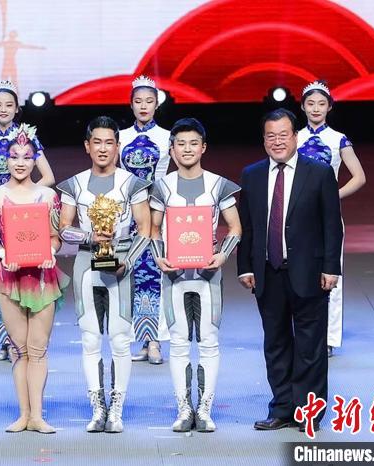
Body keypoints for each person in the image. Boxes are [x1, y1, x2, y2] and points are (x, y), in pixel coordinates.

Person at [237, 109, 343, 433]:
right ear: (264, 140)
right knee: (276, 344)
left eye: (284, 135)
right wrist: (244, 267)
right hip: (267, 273)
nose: (278, 141)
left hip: (310, 273)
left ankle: (309, 411)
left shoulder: (319, 173)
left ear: (295, 137)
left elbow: (331, 224)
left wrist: (331, 268)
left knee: (310, 347)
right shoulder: (252, 175)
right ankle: (282, 408)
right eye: (271, 136)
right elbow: (248, 227)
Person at [58, 116, 152, 433]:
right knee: (90, 340)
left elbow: (145, 229)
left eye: (109, 142)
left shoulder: (133, 184)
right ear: (87, 146)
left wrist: (128, 262)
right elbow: (64, 229)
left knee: (121, 340)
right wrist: (89, 237)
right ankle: (97, 408)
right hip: (87, 264)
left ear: (118, 146)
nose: (102, 148)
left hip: (121, 263)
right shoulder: (74, 184)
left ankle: (117, 409)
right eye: (96, 142)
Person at [149, 118, 241, 432]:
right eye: (181, 144)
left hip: (208, 275)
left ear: (203, 148)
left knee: (209, 342)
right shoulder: (161, 186)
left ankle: (204, 410)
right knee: (177, 343)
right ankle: (183, 409)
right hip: (174, 276)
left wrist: (222, 255)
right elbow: (152, 229)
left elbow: (235, 227)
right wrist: (159, 258)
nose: (187, 149)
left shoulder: (218, 185)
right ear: (171, 150)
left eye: (193, 144)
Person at [0, 124, 70, 434]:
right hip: (9, 278)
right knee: (19, 350)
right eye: (14, 156)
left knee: (38, 349)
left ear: (35, 160)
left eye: (27, 157)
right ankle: (23, 414)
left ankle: (38, 416)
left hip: (42, 277)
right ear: (5, 160)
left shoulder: (48, 196)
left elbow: (56, 237)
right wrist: (2, 252)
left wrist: (51, 251)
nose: (20, 162)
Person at [0, 80, 55, 362]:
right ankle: (5, 341)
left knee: (28, 274)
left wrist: (26, 199)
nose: (3, 109)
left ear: (17, 109)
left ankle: (27, 337)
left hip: (25, 219)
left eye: (9, 105)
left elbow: (49, 177)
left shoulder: (28, 138)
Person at [297, 80, 366, 357]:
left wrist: (332, 196)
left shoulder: (338, 139)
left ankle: (328, 338)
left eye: (321, 104)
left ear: (329, 107)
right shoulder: (293, 138)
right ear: (303, 107)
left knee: (331, 276)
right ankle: (302, 334)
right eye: (310, 103)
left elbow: (359, 177)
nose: (316, 109)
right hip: (297, 217)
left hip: (327, 217)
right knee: (298, 275)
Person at [119, 75, 171, 365]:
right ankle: (139, 338)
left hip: (156, 213)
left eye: (149, 101)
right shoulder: (120, 137)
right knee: (129, 275)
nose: (143, 106)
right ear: (130, 104)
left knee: (153, 275)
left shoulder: (167, 137)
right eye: (138, 101)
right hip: (126, 215)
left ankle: (155, 342)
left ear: (156, 104)